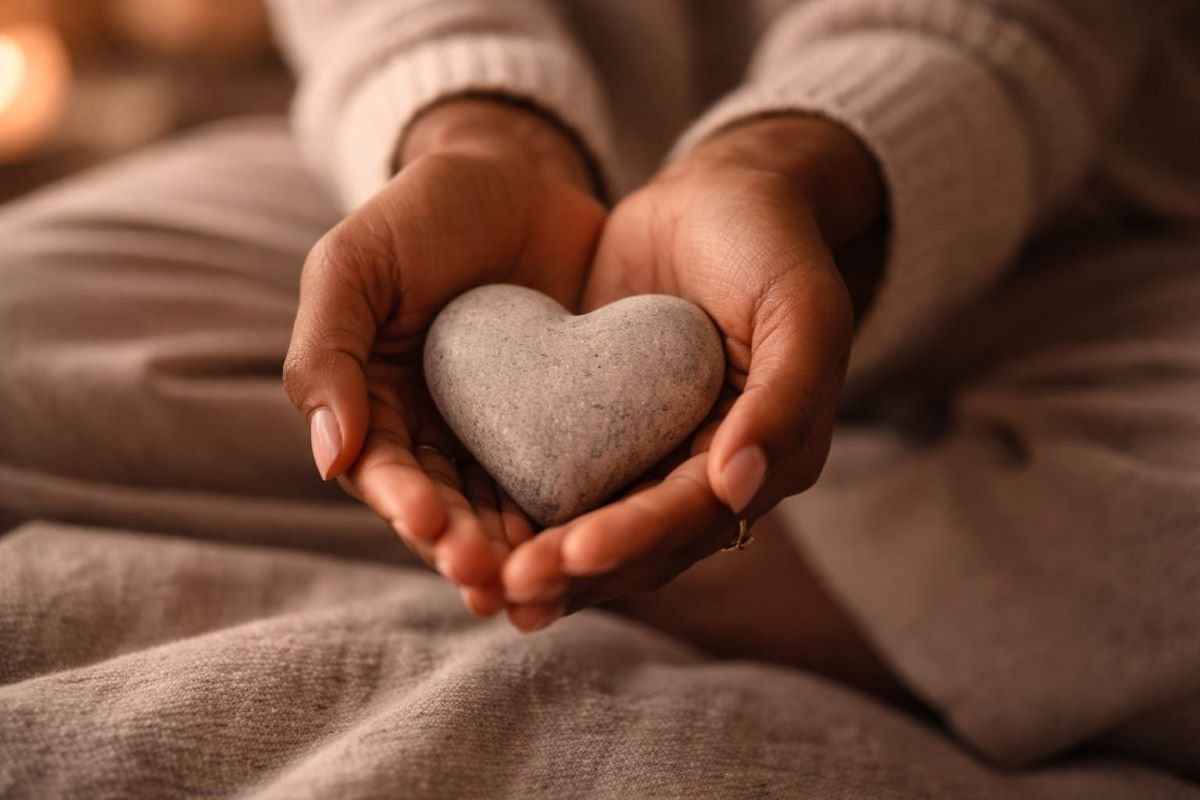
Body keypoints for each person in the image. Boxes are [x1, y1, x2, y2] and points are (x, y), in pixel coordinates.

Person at [1, 1, 1197, 796]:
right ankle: (831, 530)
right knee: (27, 329)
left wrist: (792, 163)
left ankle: (702, 517)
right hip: (478, 163)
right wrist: (472, 126)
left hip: (1089, 220)